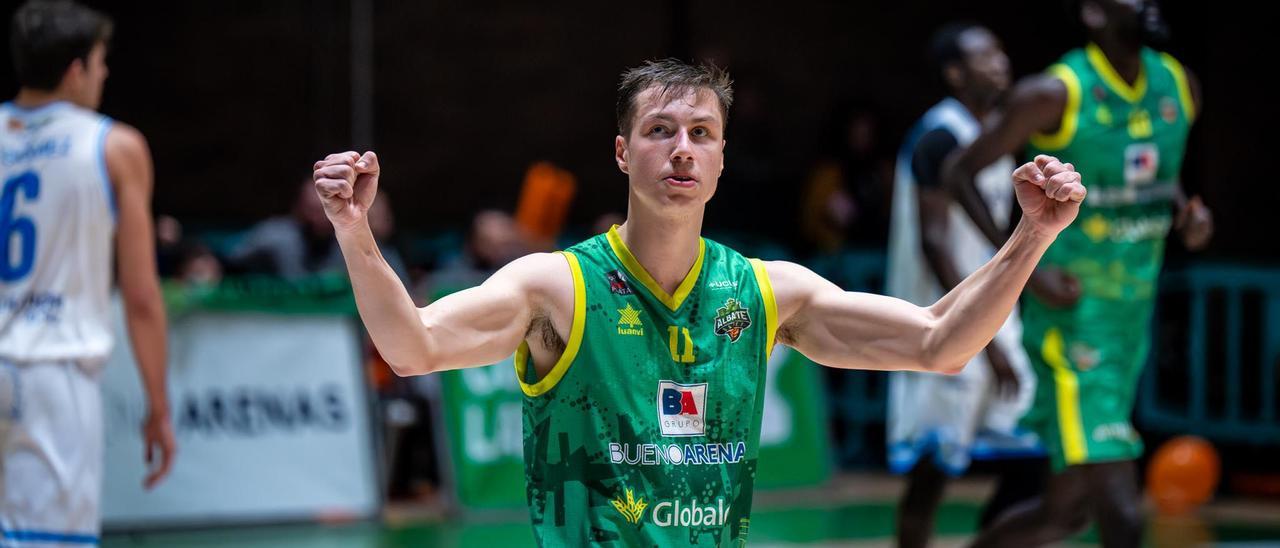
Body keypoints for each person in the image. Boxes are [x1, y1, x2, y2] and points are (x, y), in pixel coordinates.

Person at [313, 58, 1085, 546]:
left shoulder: (766, 290)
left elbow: (939, 342)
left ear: (720, 157)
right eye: (659, 130)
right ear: (623, 152)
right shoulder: (554, 285)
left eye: (701, 132)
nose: (681, 147)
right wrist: (354, 227)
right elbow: (411, 347)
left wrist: (1034, 233)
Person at [941, 2, 1212, 546]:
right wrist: (1026, 269)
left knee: (1063, 515)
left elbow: (1158, 173)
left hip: (1130, 318)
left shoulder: (1179, 85)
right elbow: (959, 172)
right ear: (1093, 12)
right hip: (1070, 321)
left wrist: (1187, 214)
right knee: (1123, 509)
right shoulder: (1054, 93)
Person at [0, 1, 175, 544]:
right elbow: (141, 295)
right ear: (76, 70)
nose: (104, 74)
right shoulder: (114, 146)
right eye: (100, 62)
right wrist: (160, 407)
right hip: (55, 371)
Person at [885, 23, 1043, 548]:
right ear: (955, 73)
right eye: (983, 56)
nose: (999, 62)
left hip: (998, 317)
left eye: (1000, 51)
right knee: (930, 479)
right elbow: (935, 243)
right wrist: (985, 337)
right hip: (943, 321)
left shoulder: (999, 132)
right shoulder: (940, 135)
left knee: (1030, 460)